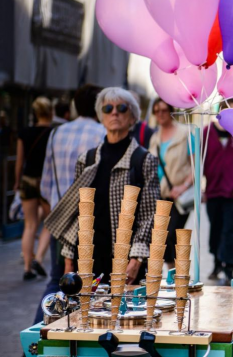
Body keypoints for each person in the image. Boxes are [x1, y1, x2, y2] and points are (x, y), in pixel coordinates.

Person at [46, 88, 160, 285]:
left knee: (125, 315)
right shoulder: (87, 159)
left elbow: (149, 216)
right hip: (88, 258)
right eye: (108, 108)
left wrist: (136, 259)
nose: (114, 113)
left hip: (125, 260)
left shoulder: (143, 160)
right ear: (101, 116)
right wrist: (68, 259)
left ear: (132, 117)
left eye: (121, 108)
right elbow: (77, 212)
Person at [35, 84, 104, 323]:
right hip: (88, 220)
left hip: (61, 217)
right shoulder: (102, 134)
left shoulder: (56, 133)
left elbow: (45, 183)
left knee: (57, 280)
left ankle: (38, 336)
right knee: (90, 281)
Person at [149, 99, 194, 269]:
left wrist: (183, 186)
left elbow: (196, 166)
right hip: (160, 194)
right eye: (156, 111)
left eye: (163, 110)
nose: (160, 114)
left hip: (179, 196)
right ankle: (171, 275)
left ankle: (179, 274)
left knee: (173, 233)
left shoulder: (185, 134)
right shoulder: (155, 138)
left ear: (171, 110)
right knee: (161, 236)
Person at [203, 100, 233, 285]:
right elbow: (199, 160)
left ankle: (229, 268)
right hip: (212, 191)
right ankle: (217, 263)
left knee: (230, 231)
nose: (230, 112)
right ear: (220, 111)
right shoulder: (207, 132)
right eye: (227, 108)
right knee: (216, 229)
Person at [16, 97, 53, 281]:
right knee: (50, 222)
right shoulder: (53, 133)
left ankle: (27, 267)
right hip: (46, 181)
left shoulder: (25, 133)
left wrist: (17, 182)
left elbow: (20, 161)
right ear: (50, 112)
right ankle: (39, 258)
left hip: (28, 179)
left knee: (29, 225)